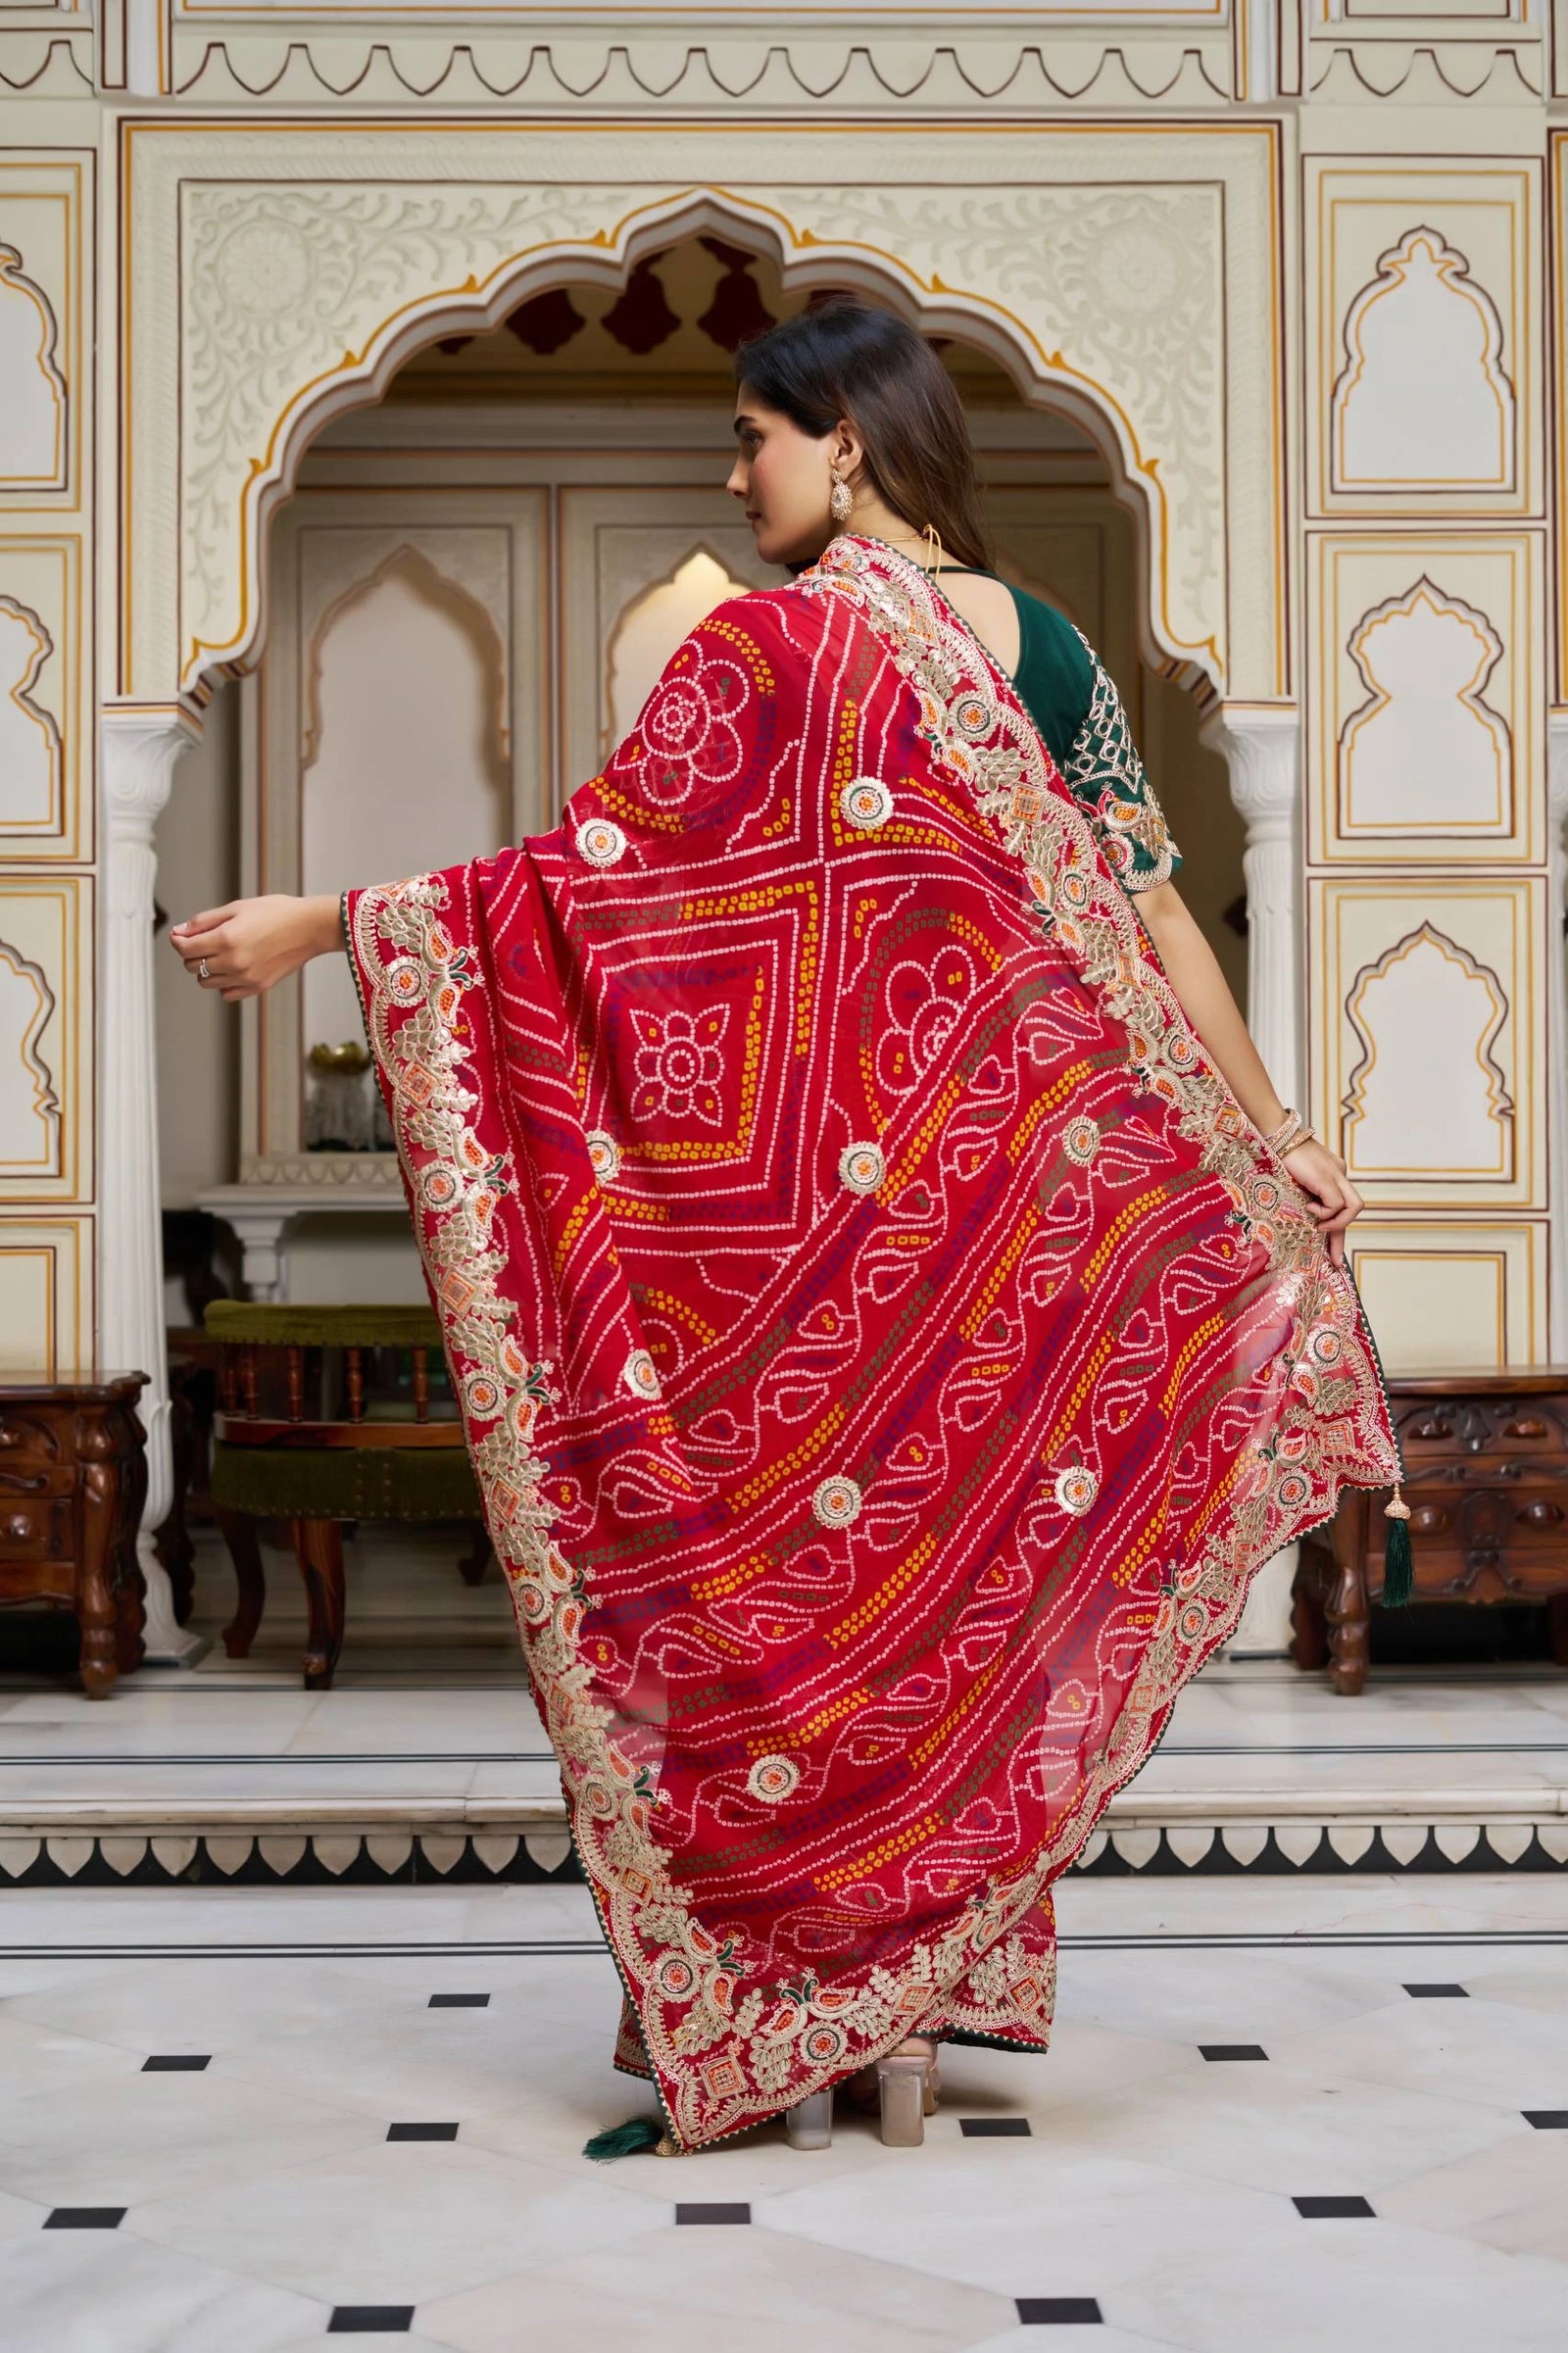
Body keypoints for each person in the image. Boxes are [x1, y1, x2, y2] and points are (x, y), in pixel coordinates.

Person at [172, 300, 1403, 2158]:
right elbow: (1149, 924)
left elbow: (589, 885)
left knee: (836, 1622)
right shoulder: (1023, 646)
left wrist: (327, 920)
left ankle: (820, 2019)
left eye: (755, 438)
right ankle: (882, 2031)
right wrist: (1276, 1129)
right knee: (906, 1616)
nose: (734, 474)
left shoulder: (781, 645)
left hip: (826, 1262)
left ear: (847, 443)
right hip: (940, 1257)